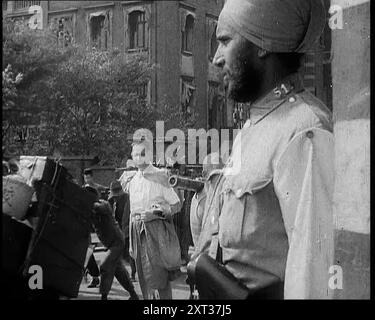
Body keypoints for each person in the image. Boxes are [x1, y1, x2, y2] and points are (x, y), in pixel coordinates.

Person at [194, 0, 334, 299]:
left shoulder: (304, 127)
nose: (216, 58)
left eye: (225, 41)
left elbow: (312, 270)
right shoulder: (254, 124)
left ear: (262, 44)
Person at [128, 140, 182, 300]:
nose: (139, 158)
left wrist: (156, 214)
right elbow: (132, 212)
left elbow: (177, 205)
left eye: (142, 154)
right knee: (144, 280)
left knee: (159, 279)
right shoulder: (133, 180)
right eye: (135, 154)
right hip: (137, 230)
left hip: (156, 231)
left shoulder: (160, 176)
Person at [85, 185, 139, 300]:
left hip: (116, 243)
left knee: (105, 266)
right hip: (111, 244)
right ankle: (133, 295)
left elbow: (101, 208)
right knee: (118, 271)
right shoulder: (90, 209)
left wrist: (88, 203)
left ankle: (104, 297)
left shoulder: (102, 204)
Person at [107, 180, 137, 281]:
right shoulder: (112, 200)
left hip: (128, 228)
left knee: (130, 252)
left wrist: (126, 230)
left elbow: (128, 216)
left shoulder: (128, 198)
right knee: (121, 255)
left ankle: (133, 274)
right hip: (118, 229)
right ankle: (125, 274)